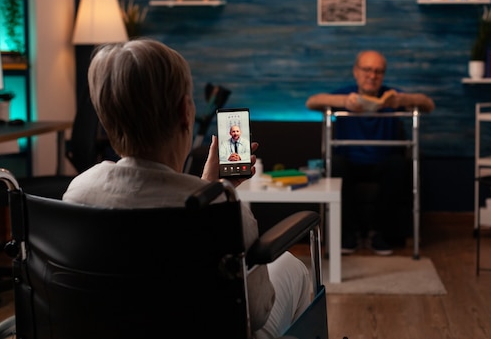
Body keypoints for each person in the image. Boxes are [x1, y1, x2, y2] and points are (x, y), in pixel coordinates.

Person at [62, 39, 311, 339]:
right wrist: (220, 194)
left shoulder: (78, 193)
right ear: (185, 111)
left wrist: (208, 186)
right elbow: (257, 312)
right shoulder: (226, 210)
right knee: (292, 267)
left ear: (106, 117)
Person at [305, 50, 435, 256]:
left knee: (398, 164)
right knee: (335, 164)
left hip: (382, 163)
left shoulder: (390, 94)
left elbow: (428, 104)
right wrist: (345, 103)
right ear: (356, 71)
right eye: (367, 70)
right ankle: (349, 233)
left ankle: (378, 233)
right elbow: (312, 101)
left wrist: (400, 101)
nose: (372, 76)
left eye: (378, 71)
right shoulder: (346, 93)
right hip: (350, 163)